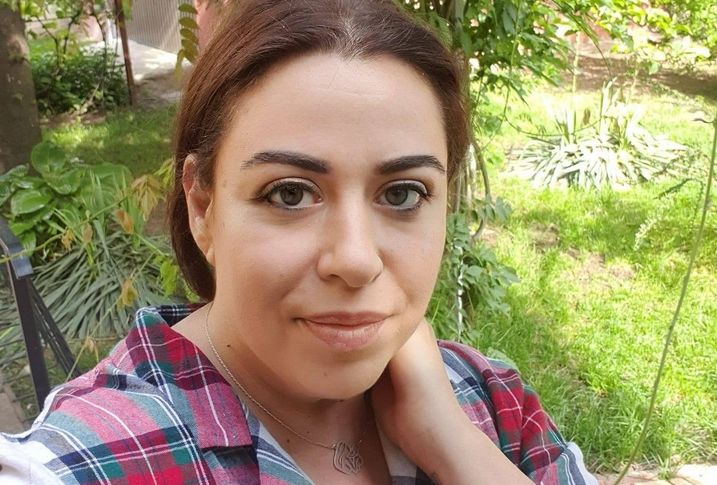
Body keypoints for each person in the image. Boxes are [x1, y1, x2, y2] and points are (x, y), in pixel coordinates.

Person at [0, 1, 598, 483]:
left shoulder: (489, 405)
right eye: (289, 194)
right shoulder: (90, 462)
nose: (355, 260)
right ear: (203, 206)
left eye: (402, 194)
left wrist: (456, 448)